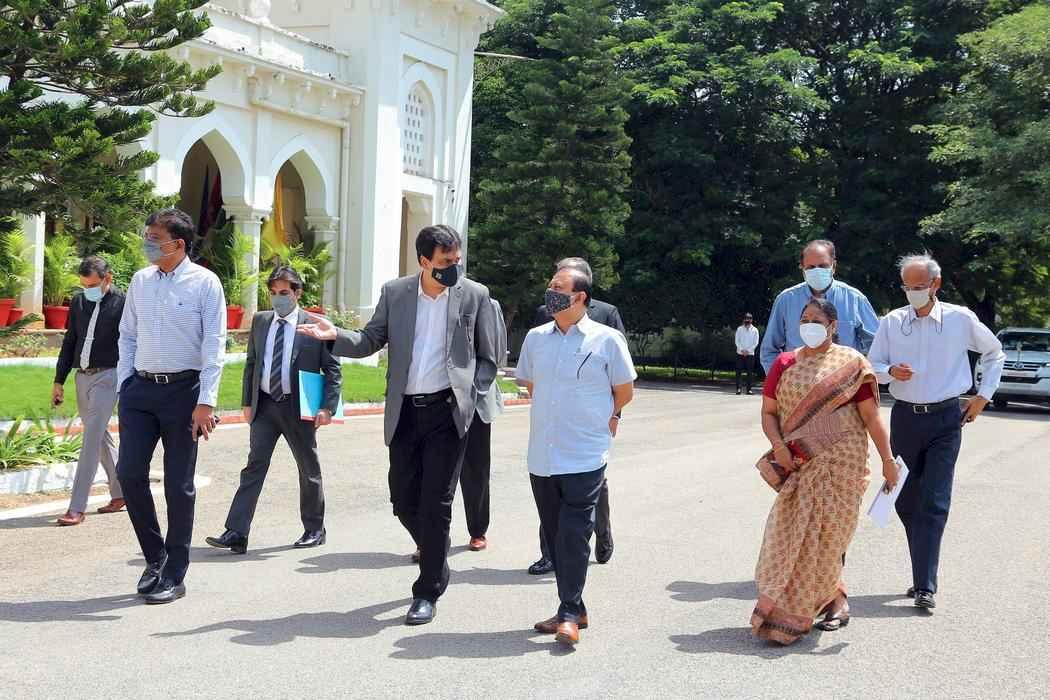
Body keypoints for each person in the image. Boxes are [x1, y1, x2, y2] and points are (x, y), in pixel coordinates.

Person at [297, 224, 498, 626]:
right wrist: (335, 335)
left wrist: (470, 398)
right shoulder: (396, 293)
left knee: (437, 502)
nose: (453, 268)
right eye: (445, 261)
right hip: (405, 411)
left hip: (448, 412)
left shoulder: (474, 295)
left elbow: (488, 357)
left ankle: (426, 590)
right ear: (424, 261)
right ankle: (437, 555)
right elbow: (370, 339)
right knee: (403, 499)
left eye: (457, 260)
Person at [752, 298, 897, 645]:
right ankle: (791, 610)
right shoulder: (785, 363)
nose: (809, 325)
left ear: (833, 326)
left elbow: (871, 417)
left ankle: (834, 602)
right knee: (788, 536)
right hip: (800, 463)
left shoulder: (852, 363)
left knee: (831, 539)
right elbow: (769, 413)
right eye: (804, 319)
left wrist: (888, 460)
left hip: (844, 465)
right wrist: (779, 446)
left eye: (816, 320)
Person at [867, 253, 1005, 611]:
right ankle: (922, 566)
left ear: (935, 285)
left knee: (935, 499)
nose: (913, 292)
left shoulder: (960, 319)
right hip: (905, 418)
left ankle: (925, 585)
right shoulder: (892, 322)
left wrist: (983, 396)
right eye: (907, 287)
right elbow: (872, 365)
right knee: (904, 499)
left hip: (946, 419)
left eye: (920, 286)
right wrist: (889, 371)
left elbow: (994, 352)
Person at [517, 264, 636, 646]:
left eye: (559, 287)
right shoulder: (536, 338)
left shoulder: (607, 340)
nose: (550, 292)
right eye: (550, 284)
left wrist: (606, 417)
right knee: (554, 535)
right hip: (543, 453)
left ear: (580, 297)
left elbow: (624, 390)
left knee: (574, 533)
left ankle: (568, 613)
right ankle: (575, 608)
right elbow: (532, 383)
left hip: (585, 452)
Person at [116, 208, 226, 605]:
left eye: (154, 237)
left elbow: (214, 344)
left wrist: (206, 401)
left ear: (177, 244)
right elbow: (127, 335)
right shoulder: (141, 281)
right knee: (129, 474)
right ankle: (155, 557)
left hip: (184, 394)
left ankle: (175, 573)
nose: (147, 243)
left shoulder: (206, 283)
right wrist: (124, 384)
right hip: (139, 393)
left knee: (179, 486)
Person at [205, 266, 342, 555]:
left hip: (297, 406)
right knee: (254, 467)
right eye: (273, 293)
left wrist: (327, 407)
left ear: (297, 293)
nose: (277, 298)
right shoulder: (261, 321)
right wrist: (247, 402)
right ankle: (237, 532)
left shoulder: (315, 324)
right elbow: (252, 364)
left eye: (284, 292)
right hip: (265, 405)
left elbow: (333, 369)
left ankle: (314, 529)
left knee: (308, 468)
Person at [529, 257, 623, 575]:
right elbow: (535, 374)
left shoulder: (606, 316)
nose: (553, 290)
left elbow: (619, 376)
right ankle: (549, 553)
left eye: (562, 282)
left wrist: (615, 414)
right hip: (553, 428)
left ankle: (602, 532)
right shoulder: (544, 318)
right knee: (551, 492)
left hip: (589, 430)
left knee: (593, 488)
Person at [52, 256, 126, 526]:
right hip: (82, 377)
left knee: (91, 439)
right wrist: (59, 380)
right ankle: (121, 493)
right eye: (84, 285)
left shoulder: (124, 303)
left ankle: (76, 507)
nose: (87, 290)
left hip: (109, 376)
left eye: (92, 285)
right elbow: (70, 341)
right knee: (100, 435)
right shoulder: (79, 302)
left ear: (108, 278)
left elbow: (133, 342)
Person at [760, 240, 879, 373]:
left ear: (833, 266)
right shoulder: (786, 300)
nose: (816, 271)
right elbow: (769, 350)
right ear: (802, 269)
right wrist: (780, 379)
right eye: (810, 267)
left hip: (844, 381)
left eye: (823, 266)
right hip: (798, 381)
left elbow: (877, 346)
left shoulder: (854, 299)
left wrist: (862, 376)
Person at [457, 297, 508, 552]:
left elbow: (495, 354)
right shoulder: (429, 301)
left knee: (475, 468)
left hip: (476, 398)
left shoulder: (487, 304)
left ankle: (478, 530)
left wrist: (473, 389)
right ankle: (429, 537)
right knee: (430, 471)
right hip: (436, 397)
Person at [734, 313, 760, 395]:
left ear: (751, 320)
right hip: (740, 353)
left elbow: (756, 342)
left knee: (750, 372)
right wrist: (742, 350)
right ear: (744, 319)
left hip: (750, 354)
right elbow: (737, 341)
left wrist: (748, 351)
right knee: (738, 371)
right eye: (746, 318)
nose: (747, 320)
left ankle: (749, 390)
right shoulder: (739, 329)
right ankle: (738, 389)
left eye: (749, 319)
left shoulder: (755, 330)